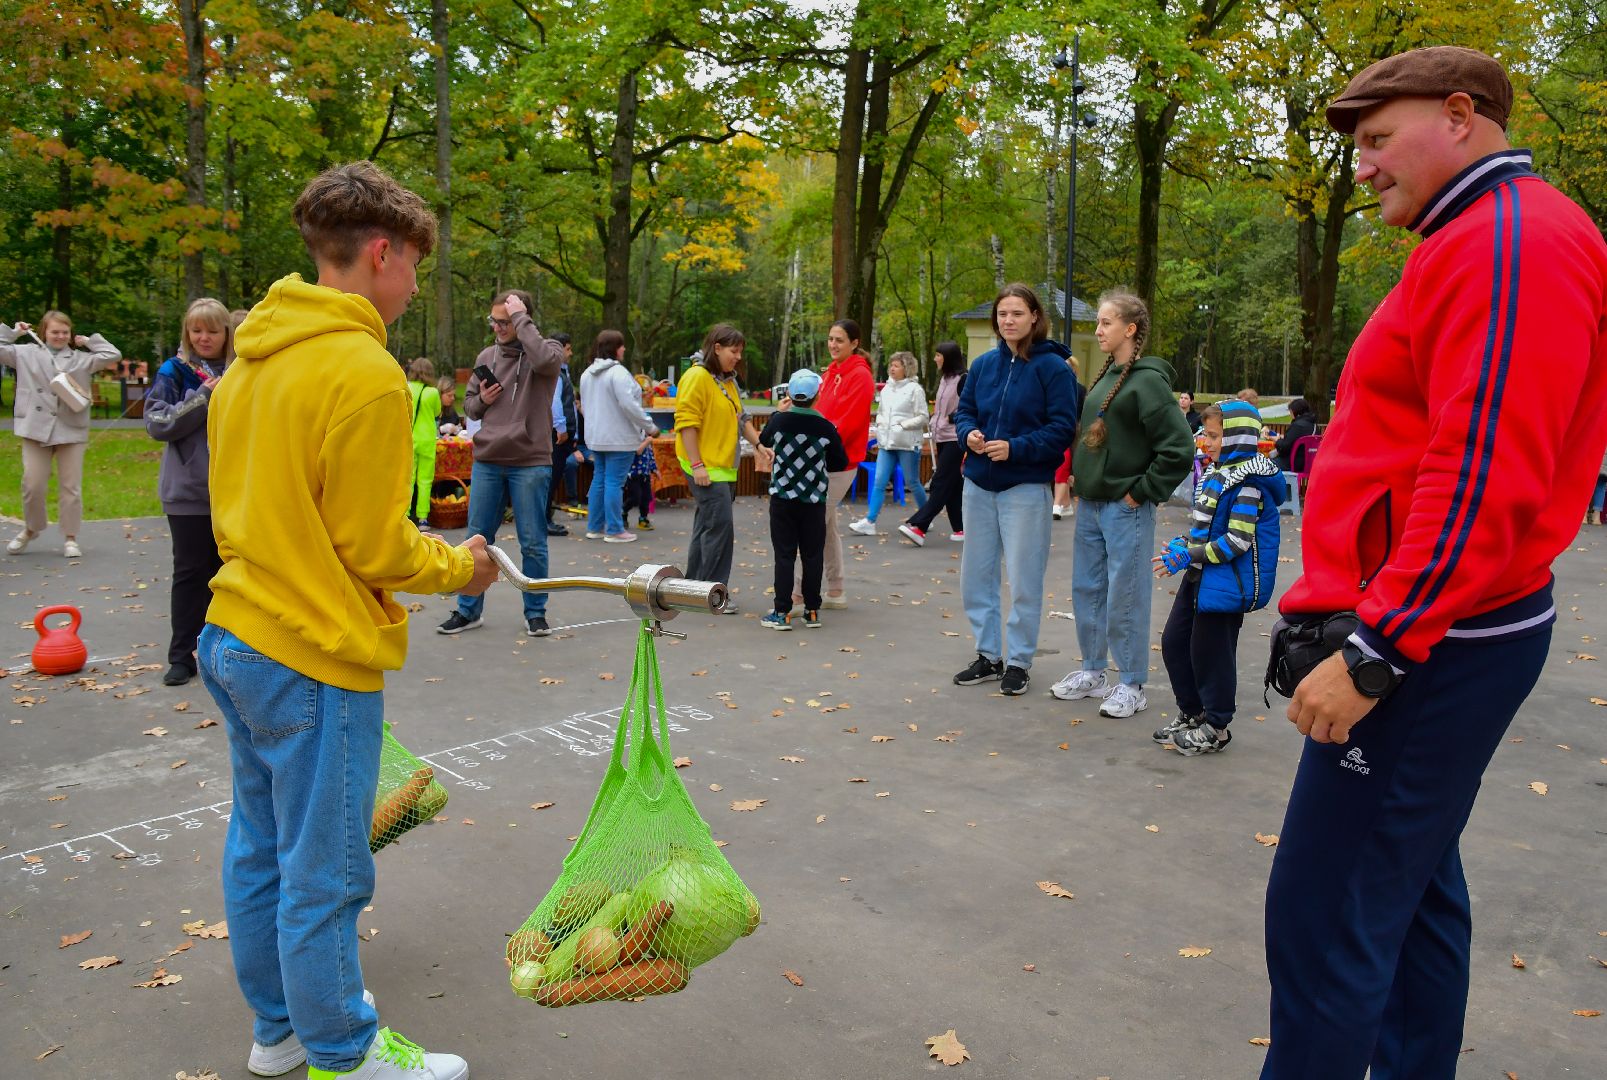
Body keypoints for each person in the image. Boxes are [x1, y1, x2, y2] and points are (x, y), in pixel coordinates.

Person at [1260, 47, 1607, 1080]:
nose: (1361, 166)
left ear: (1458, 116)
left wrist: (1377, 649)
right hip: (1443, 625)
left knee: (1326, 920)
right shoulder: (1481, 231)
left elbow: (1482, 473)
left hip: (1437, 637)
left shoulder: (1509, 238)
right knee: (1403, 896)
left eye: (1377, 139)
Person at [200, 160, 495, 1080]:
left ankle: (279, 1031)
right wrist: (462, 566)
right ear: (380, 254)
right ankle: (342, 1051)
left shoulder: (253, 359)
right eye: (414, 267)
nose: (412, 287)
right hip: (311, 653)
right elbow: (376, 547)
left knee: (261, 850)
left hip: (235, 634)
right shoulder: (363, 371)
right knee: (325, 868)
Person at [1050, 290, 1194, 718]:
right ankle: (1094, 672)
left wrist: (1142, 490)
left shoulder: (1147, 382)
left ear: (1130, 329)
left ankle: (1131, 683)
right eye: (1098, 322)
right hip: (1093, 505)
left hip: (1125, 507)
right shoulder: (1107, 376)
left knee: (1126, 595)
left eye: (1106, 323)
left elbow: (1179, 448)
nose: (1098, 330)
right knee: (1087, 589)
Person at [951, 284, 1081, 696]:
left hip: (1024, 488)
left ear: (1035, 318)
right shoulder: (983, 365)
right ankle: (988, 656)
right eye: (1003, 314)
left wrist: (1016, 448)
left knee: (1024, 580)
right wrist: (969, 434)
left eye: (1017, 313)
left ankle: (1020, 661)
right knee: (977, 576)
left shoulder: (1053, 369)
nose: (1008, 321)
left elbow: (1062, 429)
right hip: (977, 484)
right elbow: (965, 412)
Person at [1149, 400, 1284, 755]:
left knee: (1211, 655)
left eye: (1213, 436)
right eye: (1204, 435)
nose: (1205, 442)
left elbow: (1237, 542)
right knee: (1175, 644)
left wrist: (1189, 554)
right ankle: (1193, 713)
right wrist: (1184, 544)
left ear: (1237, 438)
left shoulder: (1248, 485)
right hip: (1199, 577)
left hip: (1225, 585)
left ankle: (1216, 725)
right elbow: (1207, 531)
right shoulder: (1217, 474)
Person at [437, 287, 563, 637]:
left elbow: (546, 363)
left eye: (505, 321)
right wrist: (483, 400)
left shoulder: (547, 350)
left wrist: (520, 317)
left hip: (530, 460)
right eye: (494, 321)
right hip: (489, 460)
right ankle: (468, 610)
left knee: (532, 542)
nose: (498, 327)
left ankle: (536, 612)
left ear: (523, 319)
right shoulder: (486, 356)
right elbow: (470, 407)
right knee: (476, 539)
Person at [145, 297, 233, 687]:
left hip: (233, 491)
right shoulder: (174, 370)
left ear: (227, 333)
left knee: (228, 575)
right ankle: (181, 656)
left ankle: (223, 654)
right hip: (188, 492)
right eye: (196, 330)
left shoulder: (240, 370)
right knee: (190, 573)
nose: (204, 337)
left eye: (212, 330)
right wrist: (201, 397)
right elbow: (156, 422)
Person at [1, 311, 121, 557]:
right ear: (44, 332)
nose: (60, 336)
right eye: (54, 331)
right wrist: (14, 333)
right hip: (35, 427)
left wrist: (89, 341)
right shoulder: (25, 353)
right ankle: (31, 529)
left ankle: (70, 537)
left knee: (70, 487)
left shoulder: (80, 359)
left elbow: (112, 355)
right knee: (32, 484)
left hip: (71, 427)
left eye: (65, 332)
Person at [674, 323, 768, 610]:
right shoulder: (696, 377)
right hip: (706, 469)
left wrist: (759, 444)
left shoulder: (727, 381)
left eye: (740, 352)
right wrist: (697, 465)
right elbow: (686, 424)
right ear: (716, 348)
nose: (738, 357)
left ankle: (692, 588)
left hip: (723, 468)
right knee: (720, 529)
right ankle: (713, 593)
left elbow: (741, 418)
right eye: (733, 351)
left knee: (708, 525)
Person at [759, 368, 848, 630]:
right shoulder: (826, 428)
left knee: (784, 555)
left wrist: (777, 412)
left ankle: (781, 612)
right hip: (813, 501)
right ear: (817, 396)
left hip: (783, 499)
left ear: (789, 393)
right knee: (812, 555)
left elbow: (763, 440)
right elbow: (839, 462)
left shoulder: (779, 422)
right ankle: (812, 610)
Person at [810, 319, 875, 606]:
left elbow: (849, 421)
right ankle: (836, 589)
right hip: (820, 457)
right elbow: (819, 410)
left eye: (839, 340)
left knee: (811, 524)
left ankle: (796, 594)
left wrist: (816, 444)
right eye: (830, 339)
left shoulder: (861, 376)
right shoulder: (830, 373)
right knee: (826, 527)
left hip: (839, 461)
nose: (833, 345)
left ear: (854, 343)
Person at [578, 330, 658, 543]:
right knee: (614, 482)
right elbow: (629, 405)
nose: (624, 349)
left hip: (596, 437)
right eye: (621, 345)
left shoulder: (587, 374)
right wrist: (649, 427)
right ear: (614, 348)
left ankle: (595, 527)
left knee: (600, 480)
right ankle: (614, 529)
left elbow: (585, 406)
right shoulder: (619, 373)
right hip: (620, 438)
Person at [849, 351, 928, 535]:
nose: (892, 369)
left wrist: (902, 426)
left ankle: (926, 517)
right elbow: (881, 413)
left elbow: (923, 417)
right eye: (891, 365)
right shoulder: (886, 389)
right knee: (879, 481)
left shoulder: (915, 389)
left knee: (912, 482)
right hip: (887, 443)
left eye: (896, 366)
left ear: (906, 368)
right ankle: (870, 521)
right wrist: (880, 427)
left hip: (907, 444)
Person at [899, 341, 967, 545]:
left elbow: (972, 407)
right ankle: (961, 529)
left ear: (948, 358)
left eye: (939, 355)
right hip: (942, 437)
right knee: (953, 485)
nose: (935, 359)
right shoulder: (945, 379)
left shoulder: (963, 379)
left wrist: (950, 418)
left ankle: (920, 526)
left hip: (956, 438)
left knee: (940, 482)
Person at [546, 332, 580, 536]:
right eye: (568, 349)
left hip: (560, 433)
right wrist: (561, 427)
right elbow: (554, 401)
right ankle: (545, 519)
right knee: (551, 477)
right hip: (558, 434)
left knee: (553, 476)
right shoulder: (556, 374)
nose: (571, 353)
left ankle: (546, 517)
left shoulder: (561, 372)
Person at [403, 357, 441, 527]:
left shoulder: (407, 388)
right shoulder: (433, 392)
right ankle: (423, 517)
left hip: (409, 438)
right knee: (425, 480)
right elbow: (437, 412)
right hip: (427, 439)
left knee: (408, 478)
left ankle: (405, 514)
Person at [622, 435, 659, 530]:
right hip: (633, 474)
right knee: (635, 497)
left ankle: (643, 518)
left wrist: (654, 469)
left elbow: (650, 456)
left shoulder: (646, 440)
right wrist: (646, 442)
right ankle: (623, 512)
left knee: (646, 497)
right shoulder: (632, 439)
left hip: (645, 474)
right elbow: (638, 451)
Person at [1270, 396, 1315, 465]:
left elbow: (1284, 447)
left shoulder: (1297, 426)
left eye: (1291, 412)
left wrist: (1277, 440)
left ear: (1296, 413)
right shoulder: (1313, 425)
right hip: (1309, 462)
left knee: (1264, 462)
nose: (1290, 415)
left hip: (1293, 462)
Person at [1589, 444, 1607, 526]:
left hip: (1595, 452)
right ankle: (1596, 517)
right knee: (1601, 486)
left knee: (1588, 484)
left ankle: (1583, 515)